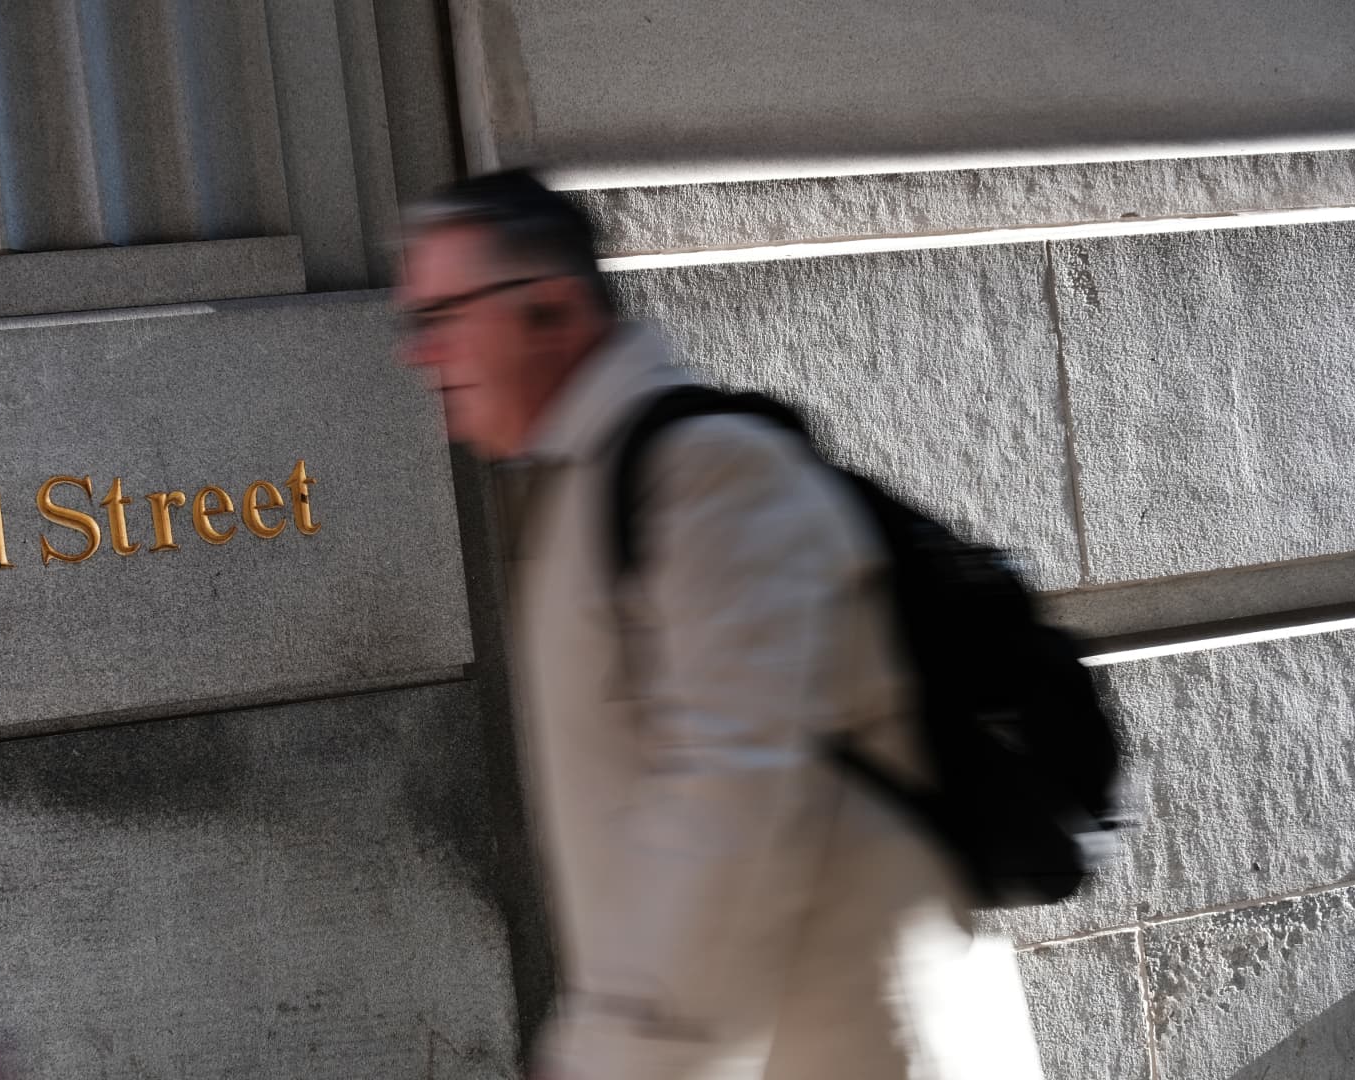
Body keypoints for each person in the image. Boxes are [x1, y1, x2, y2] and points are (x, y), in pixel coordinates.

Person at [395, 170, 1044, 1080]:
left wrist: (621, 1057)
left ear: (551, 309)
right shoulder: (589, 485)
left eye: (443, 314)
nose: (420, 353)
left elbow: (735, 786)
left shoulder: (705, 469)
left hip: (847, 1040)